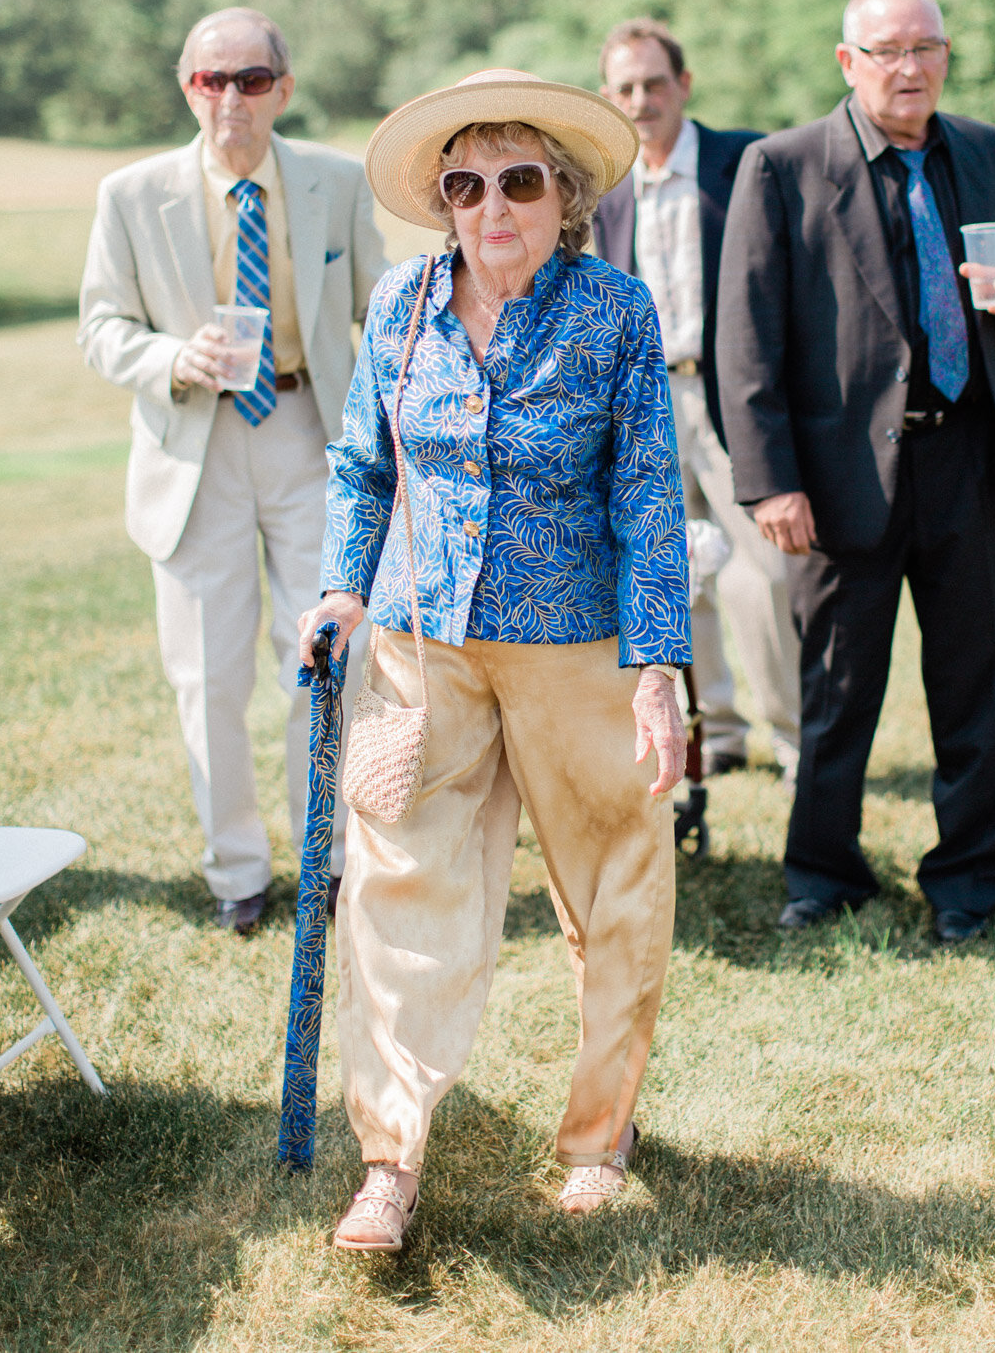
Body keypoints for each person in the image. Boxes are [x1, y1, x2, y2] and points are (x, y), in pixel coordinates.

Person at [297, 68, 690, 1253]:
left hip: (578, 648)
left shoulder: (615, 312)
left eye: (517, 180)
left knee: (615, 886)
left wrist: (661, 665)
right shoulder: (403, 307)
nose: (490, 205)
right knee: (399, 887)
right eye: (464, 185)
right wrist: (341, 584)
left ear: (562, 196)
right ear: (444, 204)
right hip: (427, 647)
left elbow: (648, 495)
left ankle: (599, 1134)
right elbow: (363, 465)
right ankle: (390, 1158)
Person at [717, 0, 995, 945]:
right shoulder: (781, 168)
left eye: (925, 49)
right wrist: (769, 479)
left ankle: (970, 886)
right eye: (886, 52)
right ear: (847, 62)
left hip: (970, 464)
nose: (908, 70)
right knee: (835, 692)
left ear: (945, 55)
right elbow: (746, 339)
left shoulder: (983, 151)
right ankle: (823, 874)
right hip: (836, 481)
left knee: (981, 692)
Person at [78, 7, 387, 934]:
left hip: (308, 432)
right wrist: (171, 357)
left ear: (283, 89)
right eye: (213, 80)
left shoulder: (336, 180)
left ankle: (326, 864)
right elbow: (101, 329)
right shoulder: (129, 195)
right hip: (193, 443)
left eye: (252, 80)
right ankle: (237, 875)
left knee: (330, 658)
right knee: (207, 678)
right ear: (187, 87)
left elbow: (387, 308)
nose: (231, 99)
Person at [595, 18, 799, 777]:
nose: (641, 100)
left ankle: (794, 738)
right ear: (608, 98)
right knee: (675, 572)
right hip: (646, 401)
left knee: (764, 574)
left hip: (733, 395)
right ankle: (714, 731)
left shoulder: (744, 160)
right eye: (625, 88)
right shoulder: (606, 182)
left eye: (653, 83)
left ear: (683, 84)